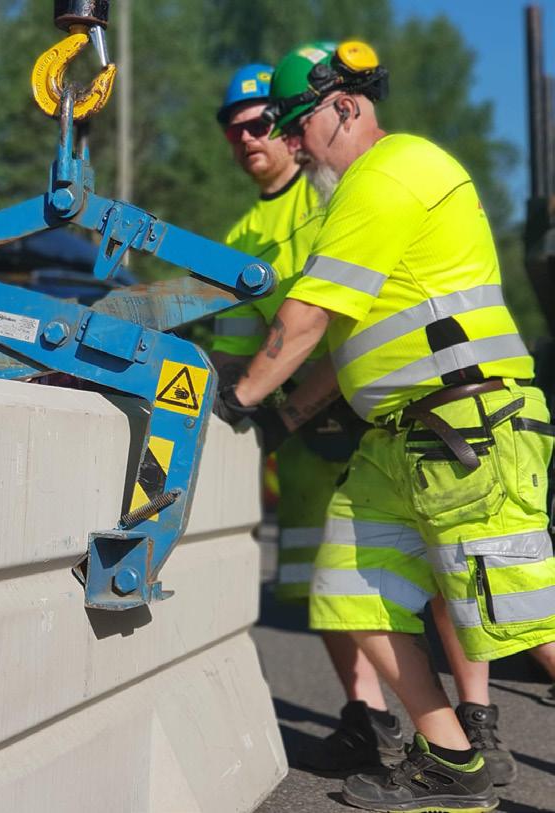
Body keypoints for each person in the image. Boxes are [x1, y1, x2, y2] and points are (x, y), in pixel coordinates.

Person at [216, 40, 555, 812]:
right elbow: (347, 343)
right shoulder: (360, 191)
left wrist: (243, 398)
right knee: (349, 588)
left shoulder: (389, 172)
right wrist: (285, 418)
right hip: (402, 440)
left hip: (469, 427)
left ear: (344, 105)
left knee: (527, 618)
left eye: (296, 126)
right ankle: (454, 759)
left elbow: (309, 315)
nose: (293, 145)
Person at [211, 61, 405, 774]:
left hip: (365, 415)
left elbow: (332, 316)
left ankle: (467, 727)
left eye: (262, 123)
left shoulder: (333, 194)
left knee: (419, 583)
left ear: (293, 129)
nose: (248, 138)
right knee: (324, 585)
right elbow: (235, 350)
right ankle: (369, 717)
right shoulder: (241, 234)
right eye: (234, 129)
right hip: (298, 440)